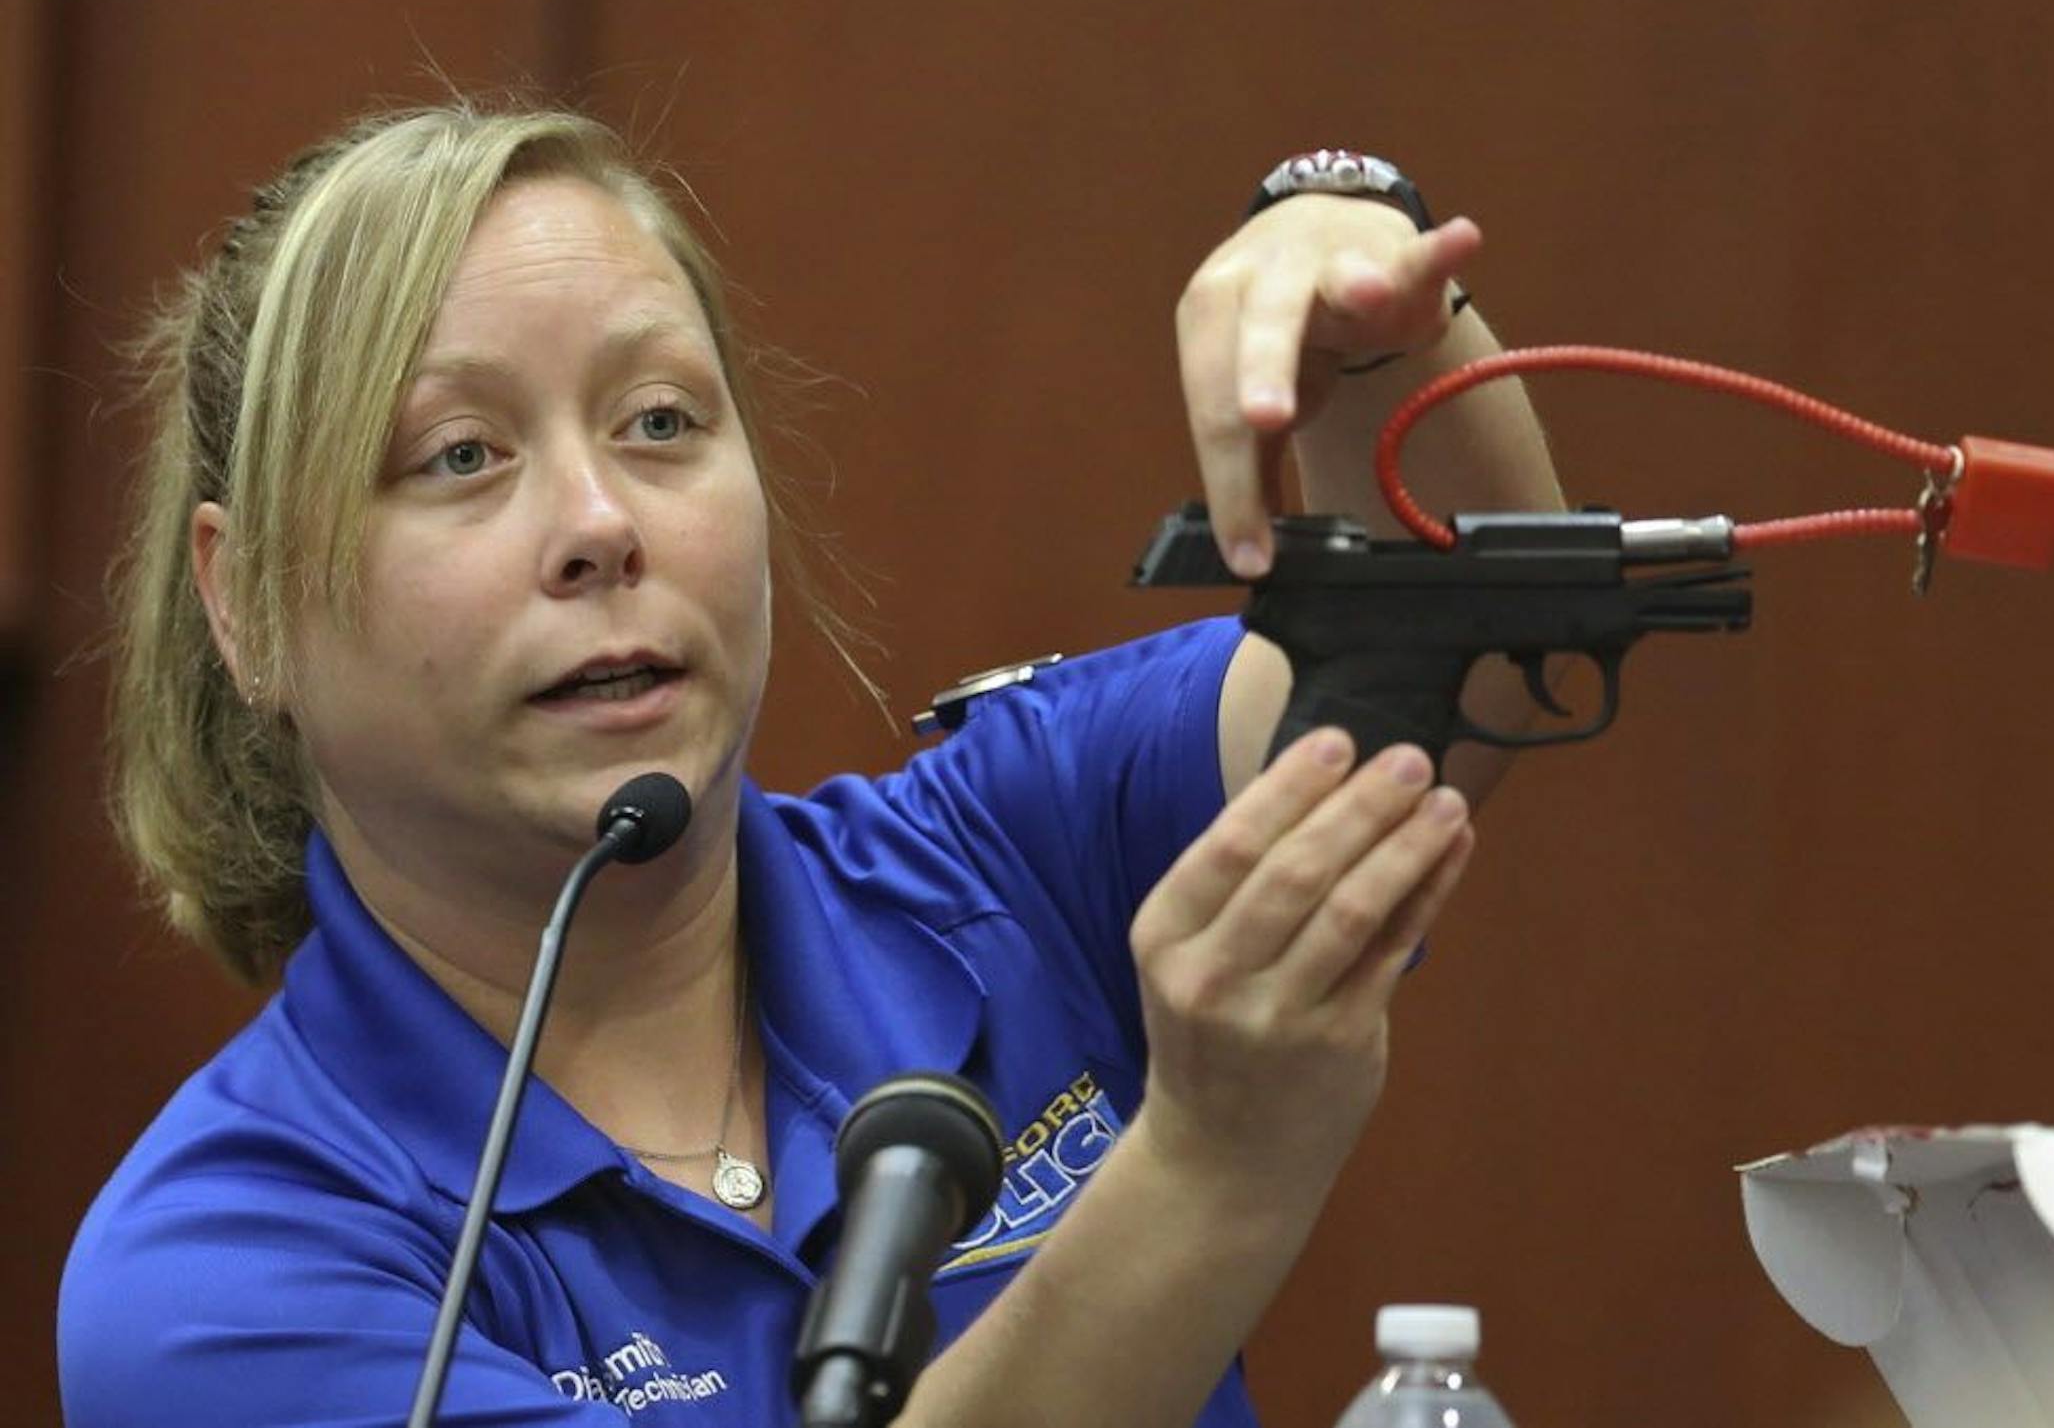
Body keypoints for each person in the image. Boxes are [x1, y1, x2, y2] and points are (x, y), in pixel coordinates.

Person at [59, 101, 1560, 1426]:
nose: (601, 520)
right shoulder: (226, 1267)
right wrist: (1208, 1175)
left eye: (661, 420)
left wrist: (1368, 292)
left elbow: (1465, 655)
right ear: (244, 602)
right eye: (462, 453)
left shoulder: (1008, 851)